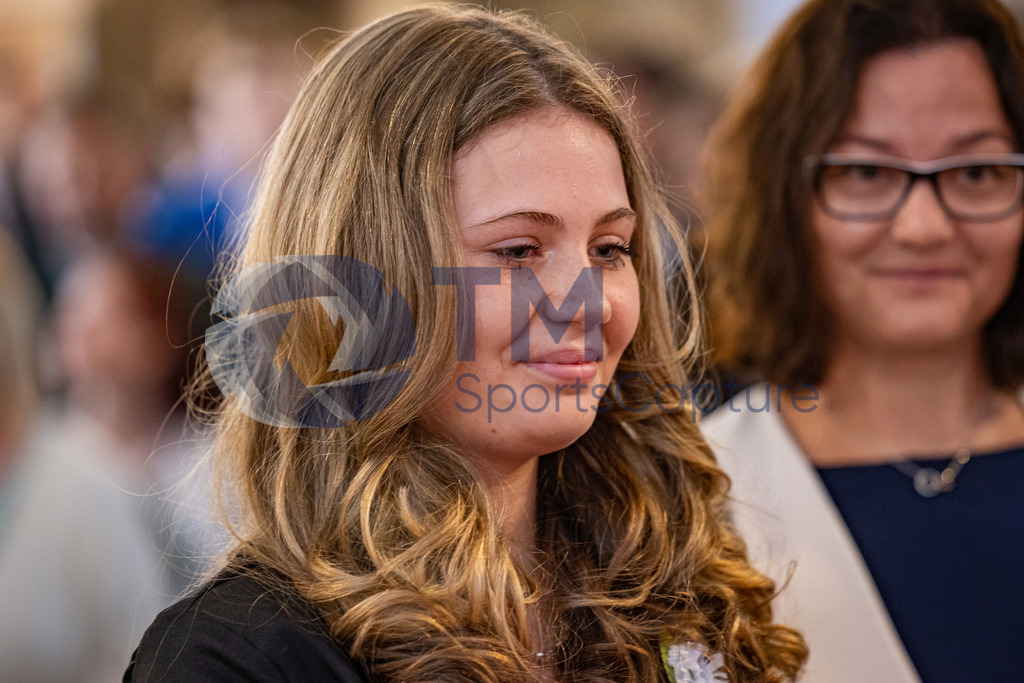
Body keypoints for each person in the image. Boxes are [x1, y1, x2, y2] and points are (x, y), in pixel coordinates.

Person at [126, 5, 806, 682]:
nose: (590, 301)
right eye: (517, 249)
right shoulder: (241, 658)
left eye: (609, 247)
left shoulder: (671, 580)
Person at [701, 1, 1024, 681]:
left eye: (975, 172)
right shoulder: (699, 494)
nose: (924, 227)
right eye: (867, 173)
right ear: (784, 197)